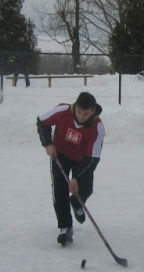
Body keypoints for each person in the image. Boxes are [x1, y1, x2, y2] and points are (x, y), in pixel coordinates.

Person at [37, 92, 105, 246]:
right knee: (59, 190)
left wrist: (77, 178)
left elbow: (92, 159)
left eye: (85, 114)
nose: (81, 116)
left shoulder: (97, 127)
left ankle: (77, 202)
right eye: (79, 112)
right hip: (60, 154)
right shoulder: (63, 110)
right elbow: (42, 122)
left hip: (82, 160)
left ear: (93, 111)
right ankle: (65, 227)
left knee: (85, 188)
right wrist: (47, 144)